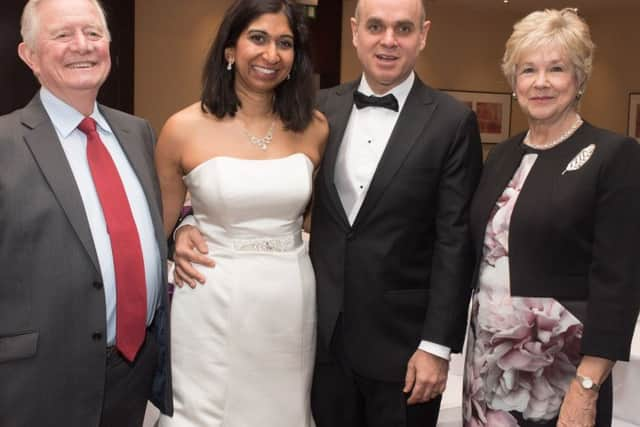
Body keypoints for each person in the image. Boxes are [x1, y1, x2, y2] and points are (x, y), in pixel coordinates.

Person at [175, 0, 482, 425]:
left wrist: (436, 346)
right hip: (319, 338)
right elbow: (263, 188)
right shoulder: (316, 114)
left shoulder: (451, 121)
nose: (388, 41)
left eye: (403, 29)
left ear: (423, 34)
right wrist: (187, 223)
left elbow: (455, 241)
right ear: (355, 32)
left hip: (403, 349)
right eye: (375, 26)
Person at [463, 8, 640, 427]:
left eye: (556, 68)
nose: (540, 82)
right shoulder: (502, 155)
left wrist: (587, 387)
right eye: (528, 70)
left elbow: (620, 283)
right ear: (514, 81)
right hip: (489, 366)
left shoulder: (613, 156)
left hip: (560, 374)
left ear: (579, 79)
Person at [154, 0, 328, 425]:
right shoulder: (182, 128)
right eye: (258, 38)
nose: (271, 54)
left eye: (284, 43)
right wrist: (180, 232)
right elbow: (157, 225)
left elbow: (319, 221)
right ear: (230, 50)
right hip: (211, 292)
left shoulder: (316, 128)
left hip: (289, 298)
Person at [0, 0, 172, 426]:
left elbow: (144, 225)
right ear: (30, 55)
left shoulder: (138, 133)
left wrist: (182, 230)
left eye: (94, 33)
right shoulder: (4, 144)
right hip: (37, 385)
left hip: (134, 373)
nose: (83, 45)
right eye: (62, 35)